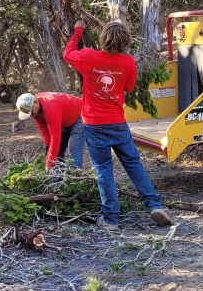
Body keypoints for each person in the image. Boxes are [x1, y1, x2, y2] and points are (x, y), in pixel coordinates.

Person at [64, 20, 174, 232]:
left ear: (103, 38)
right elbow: (129, 87)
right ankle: (154, 205)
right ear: (126, 41)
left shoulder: (88, 57)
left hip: (94, 124)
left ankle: (111, 219)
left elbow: (68, 53)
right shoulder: (127, 62)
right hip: (117, 122)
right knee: (134, 164)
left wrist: (78, 29)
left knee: (104, 170)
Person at [16, 91, 85, 169]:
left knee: (74, 149)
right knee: (56, 150)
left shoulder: (50, 108)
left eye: (31, 112)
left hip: (80, 116)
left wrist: (49, 163)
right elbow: (43, 129)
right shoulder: (35, 108)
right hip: (64, 120)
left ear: (35, 102)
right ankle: (57, 178)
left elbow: (55, 137)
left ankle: (75, 176)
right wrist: (48, 147)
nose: (31, 114)